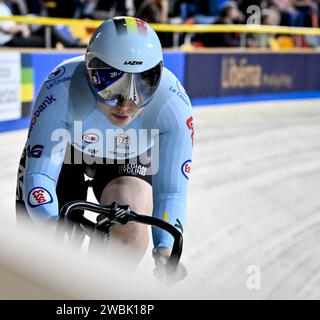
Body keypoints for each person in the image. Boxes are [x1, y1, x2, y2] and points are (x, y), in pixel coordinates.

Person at [15, 17, 193, 283]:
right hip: (68, 153)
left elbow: (171, 190)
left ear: (157, 77)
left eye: (142, 89)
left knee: (130, 235)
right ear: (89, 73)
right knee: (40, 250)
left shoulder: (174, 105)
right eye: (111, 85)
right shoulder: (60, 87)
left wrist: (165, 248)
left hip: (127, 157)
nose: (125, 104)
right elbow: (40, 178)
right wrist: (52, 226)